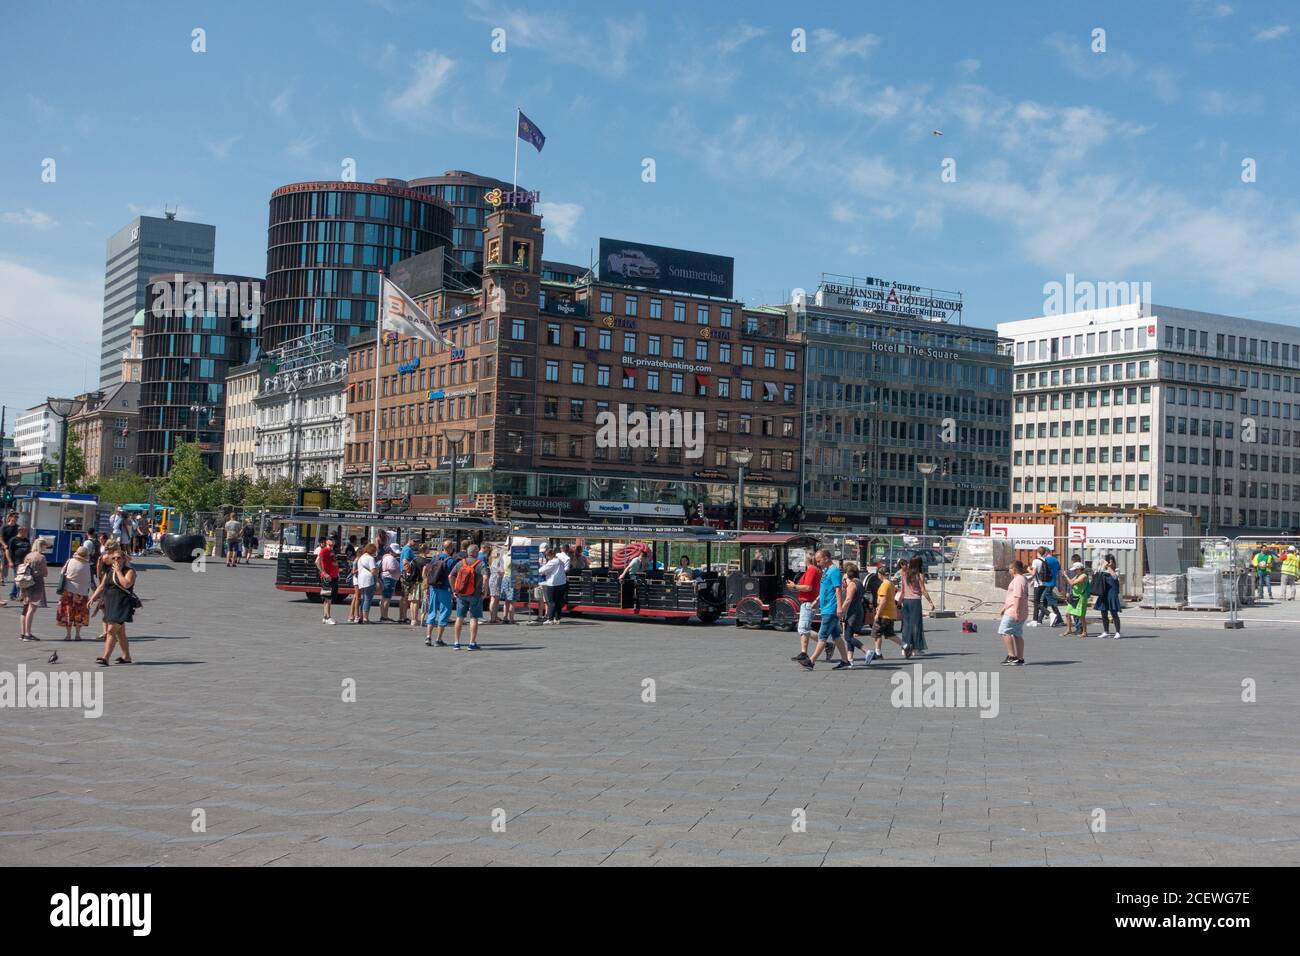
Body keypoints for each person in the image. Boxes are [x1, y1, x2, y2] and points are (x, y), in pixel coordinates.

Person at [797, 549, 849, 670]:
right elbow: (825, 589)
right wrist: (816, 600)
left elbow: (837, 590)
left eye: (819, 560)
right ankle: (845, 660)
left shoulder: (834, 571)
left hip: (831, 609)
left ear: (826, 558)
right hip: (826, 607)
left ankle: (811, 661)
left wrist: (839, 607)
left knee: (822, 635)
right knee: (836, 635)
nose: (818, 563)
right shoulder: (826, 571)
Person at [89, 547, 137, 665]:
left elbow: (126, 584)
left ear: (124, 559)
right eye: (114, 558)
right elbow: (102, 586)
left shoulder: (129, 571)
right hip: (110, 604)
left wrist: (119, 572)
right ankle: (126, 656)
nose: (116, 560)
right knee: (120, 633)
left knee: (110, 631)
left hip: (122, 604)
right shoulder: (109, 571)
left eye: (119, 558)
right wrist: (93, 598)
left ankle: (105, 658)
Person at [450, 545, 488, 650]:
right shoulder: (480, 564)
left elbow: (450, 576)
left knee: (459, 617)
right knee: (474, 618)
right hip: (475, 594)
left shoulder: (460, 563)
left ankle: (456, 643)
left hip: (461, 594)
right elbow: (485, 577)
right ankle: (471, 643)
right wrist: (484, 591)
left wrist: (454, 589)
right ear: (476, 552)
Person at [790, 550, 822, 665]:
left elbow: (808, 587)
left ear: (806, 559)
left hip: (809, 602)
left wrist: (794, 586)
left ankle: (824, 643)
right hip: (807, 602)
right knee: (803, 627)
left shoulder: (812, 570)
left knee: (803, 628)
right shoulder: (812, 570)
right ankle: (803, 652)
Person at [899, 556, 935, 657]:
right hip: (915, 601)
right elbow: (923, 590)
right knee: (916, 625)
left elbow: (902, 589)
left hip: (905, 601)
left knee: (906, 625)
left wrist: (899, 601)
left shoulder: (904, 574)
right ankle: (915, 648)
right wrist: (930, 602)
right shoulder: (919, 575)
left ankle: (905, 646)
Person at [57, 543, 94, 641]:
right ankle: (77, 635)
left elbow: (62, 573)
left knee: (68, 612)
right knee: (80, 614)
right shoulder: (87, 565)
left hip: (69, 590)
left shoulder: (70, 561)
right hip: (82, 592)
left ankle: (68, 635)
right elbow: (90, 580)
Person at [15, 537, 50, 640]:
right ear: (41, 546)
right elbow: (45, 573)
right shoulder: (41, 557)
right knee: (32, 608)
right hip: (36, 583)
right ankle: (28, 634)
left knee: (25, 608)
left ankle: (22, 633)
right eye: (45, 545)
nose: (46, 547)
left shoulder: (28, 556)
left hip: (26, 582)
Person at [424, 540, 456, 646]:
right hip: (444, 587)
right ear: (450, 548)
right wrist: (453, 590)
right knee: (445, 611)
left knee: (432, 611)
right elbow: (452, 576)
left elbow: (429, 570)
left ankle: (428, 637)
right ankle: (438, 639)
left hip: (433, 587)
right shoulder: (451, 560)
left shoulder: (435, 558)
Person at [999, 559, 1029, 666]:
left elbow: (1017, 596)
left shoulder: (1018, 580)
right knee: (1017, 633)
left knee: (1004, 631)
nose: (1009, 570)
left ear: (1015, 569)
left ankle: (1011, 656)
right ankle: (1020, 658)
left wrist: (1016, 612)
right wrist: (1004, 607)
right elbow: (1013, 597)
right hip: (1018, 609)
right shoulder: (1022, 579)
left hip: (1014, 611)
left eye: (1010, 568)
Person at [871, 561, 904, 658]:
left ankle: (878, 653)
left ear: (879, 574)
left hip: (884, 613)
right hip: (890, 613)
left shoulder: (884, 585)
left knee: (876, 633)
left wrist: (878, 614)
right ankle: (905, 645)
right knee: (889, 634)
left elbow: (883, 600)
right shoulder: (890, 584)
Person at [840, 563, 871, 667]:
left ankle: (867, 651)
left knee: (847, 637)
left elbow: (848, 599)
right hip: (858, 611)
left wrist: (841, 610)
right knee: (850, 635)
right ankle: (850, 659)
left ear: (847, 574)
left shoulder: (852, 584)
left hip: (853, 612)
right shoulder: (859, 582)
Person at [1093, 553, 1123, 639]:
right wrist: (1100, 565)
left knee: (1114, 613)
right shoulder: (1102, 569)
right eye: (1108, 562)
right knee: (1103, 612)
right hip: (1103, 592)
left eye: (1111, 562)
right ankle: (1106, 631)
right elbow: (1096, 575)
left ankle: (1117, 632)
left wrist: (1108, 567)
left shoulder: (1116, 569)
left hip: (1112, 593)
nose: (1110, 563)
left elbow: (1114, 577)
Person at [314, 534, 340, 625]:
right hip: (328, 577)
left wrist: (337, 571)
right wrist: (324, 573)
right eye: (331, 540)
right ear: (327, 542)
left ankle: (325, 616)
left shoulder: (332, 551)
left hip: (333, 576)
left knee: (328, 597)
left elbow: (333, 562)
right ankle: (328, 617)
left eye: (334, 540)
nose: (333, 542)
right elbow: (317, 561)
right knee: (328, 598)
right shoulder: (324, 550)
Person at [1064, 555, 1091, 638]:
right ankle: (1069, 630)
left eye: (1076, 570)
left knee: (1081, 616)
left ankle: (1084, 632)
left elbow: (1072, 583)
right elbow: (1072, 581)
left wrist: (1066, 576)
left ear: (1079, 569)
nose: (1074, 571)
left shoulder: (1084, 576)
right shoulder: (1078, 575)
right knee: (1067, 614)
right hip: (1074, 596)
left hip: (1081, 597)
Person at [539, 545, 568, 624]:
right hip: (562, 583)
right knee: (558, 602)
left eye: (547, 556)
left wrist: (543, 572)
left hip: (553, 584)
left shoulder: (552, 562)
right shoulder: (560, 561)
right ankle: (557, 618)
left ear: (550, 555)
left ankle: (550, 619)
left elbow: (541, 570)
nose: (547, 558)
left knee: (551, 602)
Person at [7, 525, 32, 602]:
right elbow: (7, 551)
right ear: (20, 531)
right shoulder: (13, 540)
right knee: (19, 578)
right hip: (16, 562)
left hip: (26, 563)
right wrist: (10, 561)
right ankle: (15, 594)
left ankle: (19, 594)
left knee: (23, 579)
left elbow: (29, 550)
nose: (26, 533)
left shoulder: (26, 540)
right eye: (25, 531)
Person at [353, 543, 378, 623]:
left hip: (361, 579)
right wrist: (378, 571)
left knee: (364, 598)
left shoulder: (361, 557)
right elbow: (373, 571)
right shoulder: (370, 558)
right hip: (369, 579)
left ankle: (361, 616)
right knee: (368, 599)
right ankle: (365, 618)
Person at [378, 544, 401, 622]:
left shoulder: (385, 557)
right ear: (391, 551)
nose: (396, 553)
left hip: (386, 577)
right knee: (387, 598)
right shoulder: (390, 558)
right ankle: (384, 616)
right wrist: (399, 570)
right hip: (389, 578)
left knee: (384, 597)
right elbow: (391, 569)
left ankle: (383, 615)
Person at [1028, 547, 1047, 627]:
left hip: (1038, 584)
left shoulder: (1036, 561)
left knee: (1036, 602)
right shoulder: (1045, 560)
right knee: (1037, 602)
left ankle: (1050, 613)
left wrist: (1029, 569)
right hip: (1044, 583)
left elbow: (1033, 573)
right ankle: (1034, 620)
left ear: (1037, 553)